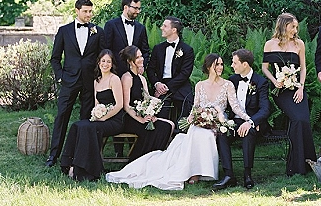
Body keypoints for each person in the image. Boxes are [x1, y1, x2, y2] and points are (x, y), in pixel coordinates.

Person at [106, 53, 252, 190]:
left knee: (206, 135)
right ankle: (192, 171)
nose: (220, 67)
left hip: (218, 120)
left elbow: (235, 106)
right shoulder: (200, 85)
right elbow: (195, 106)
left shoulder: (228, 85)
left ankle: (200, 172)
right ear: (209, 67)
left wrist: (249, 120)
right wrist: (192, 117)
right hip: (200, 119)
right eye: (217, 64)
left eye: (221, 64)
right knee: (195, 131)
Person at [46, 0, 106, 167]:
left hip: (89, 81)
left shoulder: (98, 31)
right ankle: (53, 156)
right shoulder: (64, 31)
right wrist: (60, 77)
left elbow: (103, 56)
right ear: (77, 11)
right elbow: (55, 58)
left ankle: (80, 157)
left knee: (86, 119)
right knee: (61, 117)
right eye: (85, 11)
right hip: (69, 80)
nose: (89, 14)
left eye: (90, 11)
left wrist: (99, 77)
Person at [262, 13, 316, 176]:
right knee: (297, 119)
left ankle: (306, 163)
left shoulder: (299, 44)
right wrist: (274, 81)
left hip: (297, 88)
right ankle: (296, 165)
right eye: (292, 26)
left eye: (296, 27)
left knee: (303, 120)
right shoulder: (270, 44)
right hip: (280, 91)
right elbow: (265, 68)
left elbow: (303, 68)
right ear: (283, 26)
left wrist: (301, 87)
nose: (295, 30)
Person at [59, 50, 124, 181]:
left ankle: (85, 169)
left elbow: (119, 105)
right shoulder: (97, 81)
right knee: (77, 125)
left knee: (89, 128)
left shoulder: (114, 79)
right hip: (100, 118)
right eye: (103, 61)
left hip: (115, 120)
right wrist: (96, 115)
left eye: (109, 62)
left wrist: (104, 117)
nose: (105, 64)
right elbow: (96, 104)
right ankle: (69, 164)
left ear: (112, 64)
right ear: (99, 62)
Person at [214, 49, 271, 190]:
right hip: (235, 120)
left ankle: (247, 174)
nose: (231, 65)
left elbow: (265, 109)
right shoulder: (232, 80)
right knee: (222, 133)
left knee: (248, 132)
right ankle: (229, 175)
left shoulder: (261, 82)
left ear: (244, 64)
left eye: (235, 63)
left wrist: (251, 122)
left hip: (253, 121)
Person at [119, 45, 174, 161]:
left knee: (169, 125)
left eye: (141, 56)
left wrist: (152, 111)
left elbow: (147, 99)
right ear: (130, 61)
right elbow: (126, 106)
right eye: (138, 57)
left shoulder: (142, 78)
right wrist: (141, 119)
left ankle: (155, 159)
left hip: (142, 115)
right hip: (130, 118)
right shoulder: (127, 77)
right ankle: (140, 159)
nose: (142, 59)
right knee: (159, 128)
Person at [146, 16, 195, 122]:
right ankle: (162, 129)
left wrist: (167, 87)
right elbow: (150, 69)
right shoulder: (158, 48)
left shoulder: (187, 50)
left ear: (174, 30)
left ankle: (182, 129)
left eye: (165, 26)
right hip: (161, 84)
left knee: (186, 104)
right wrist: (157, 84)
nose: (161, 28)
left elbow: (185, 73)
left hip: (179, 85)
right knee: (159, 109)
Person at [104, 0, 151, 77]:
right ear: (126, 7)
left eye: (139, 8)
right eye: (135, 8)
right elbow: (106, 49)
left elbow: (145, 50)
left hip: (136, 72)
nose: (138, 11)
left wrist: (141, 65)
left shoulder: (141, 28)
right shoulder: (111, 25)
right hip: (116, 72)